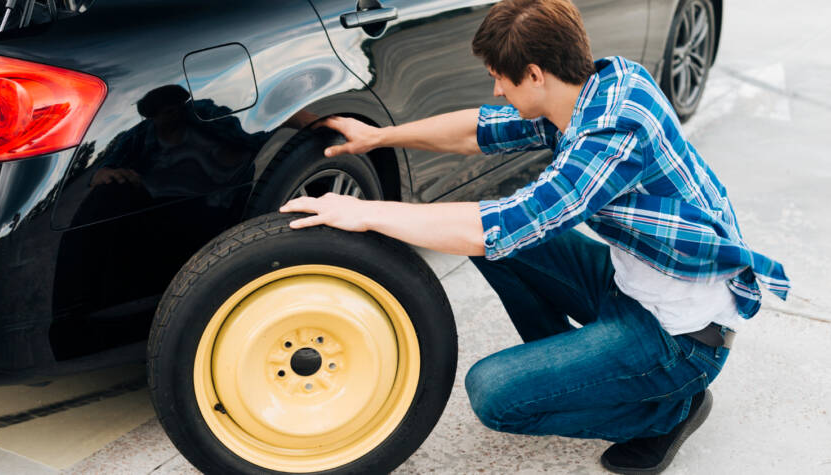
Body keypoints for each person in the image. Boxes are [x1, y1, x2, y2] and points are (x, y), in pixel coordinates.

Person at [279, 0, 790, 472]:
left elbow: (508, 221)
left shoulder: (612, 135)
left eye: (501, 78)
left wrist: (365, 213)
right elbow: (477, 130)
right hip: (630, 287)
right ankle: (585, 371)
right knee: (488, 239)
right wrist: (379, 136)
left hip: (682, 339)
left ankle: (663, 413)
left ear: (535, 74)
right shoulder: (596, 87)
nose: (497, 90)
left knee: (495, 395)